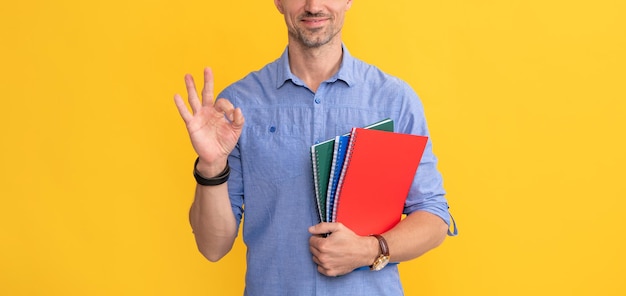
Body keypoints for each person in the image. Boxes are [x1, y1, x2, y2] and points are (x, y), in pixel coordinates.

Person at [174, 0, 455, 295]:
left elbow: (434, 216)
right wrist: (211, 166)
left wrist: (370, 249)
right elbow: (212, 246)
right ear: (279, 2)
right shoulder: (237, 106)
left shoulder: (394, 100)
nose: (313, 5)